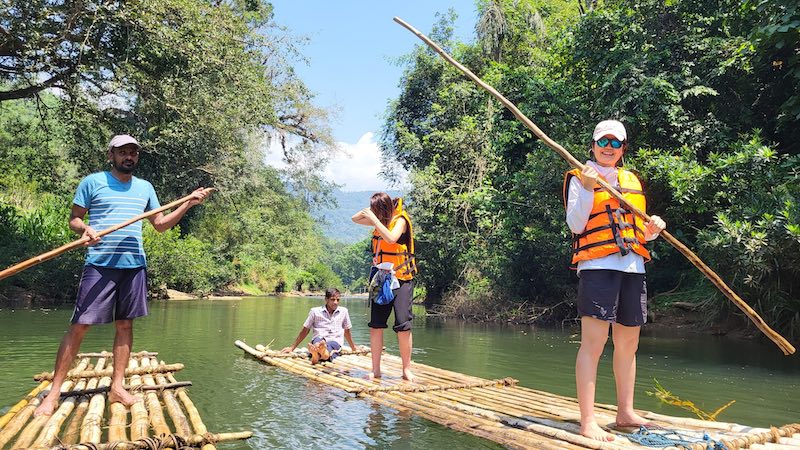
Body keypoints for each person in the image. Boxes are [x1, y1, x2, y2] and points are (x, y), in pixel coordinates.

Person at [34, 134, 211, 417]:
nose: (129, 157)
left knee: (125, 326)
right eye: (123, 152)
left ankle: (117, 387)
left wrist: (188, 203)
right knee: (79, 325)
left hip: (134, 265)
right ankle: (53, 393)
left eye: (133, 153)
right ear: (111, 155)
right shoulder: (92, 182)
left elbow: (161, 225)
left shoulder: (145, 188)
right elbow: (75, 219)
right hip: (100, 264)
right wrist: (86, 230)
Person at [563, 120, 666, 441]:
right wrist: (590, 188)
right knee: (594, 344)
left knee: (629, 344)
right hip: (597, 267)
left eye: (615, 142)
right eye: (602, 141)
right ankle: (588, 420)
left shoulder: (631, 181)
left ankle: (625, 412)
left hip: (633, 269)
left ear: (623, 149)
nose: (609, 147)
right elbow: (577, 225)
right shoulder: (581, 179)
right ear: (592, 146)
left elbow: (639, 233)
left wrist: (652, 231)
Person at [351, 193, 418, 381]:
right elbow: (354, 218)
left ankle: (406, 369)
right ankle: (376, 370)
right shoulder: (378, 221)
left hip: (401, 279)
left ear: (386, 209)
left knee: (403, 325)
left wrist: (374, 219)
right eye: (374, 211)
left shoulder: (400, 221)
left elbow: (390, 238)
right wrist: (371, 214)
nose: (375, 215)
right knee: (376, 324)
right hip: (381, 278)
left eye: (378, 211)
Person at [281, 288, 364, 364]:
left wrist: (353, 348)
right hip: (318, 339)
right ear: (326, 299)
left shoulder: (344, 311)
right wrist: (292, 348)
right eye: (332, 300)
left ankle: (316, 355)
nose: (335, 302)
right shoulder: (315, 311)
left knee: (329, 347)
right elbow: (305, 330)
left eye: (338, 300)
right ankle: (319, 351)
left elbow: (347, 332)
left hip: (334, 341)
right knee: (318, 342)